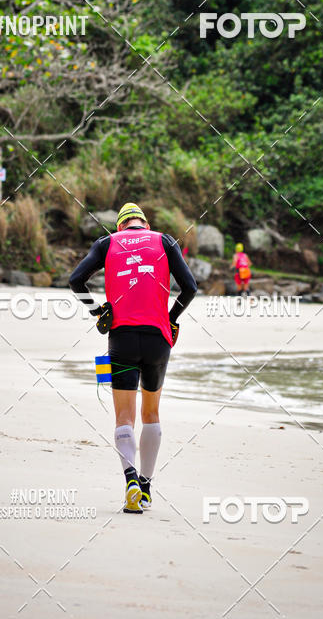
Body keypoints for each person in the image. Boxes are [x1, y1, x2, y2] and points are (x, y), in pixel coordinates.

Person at [69, 202, 197, 514]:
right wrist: (172, 319)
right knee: (151, 414)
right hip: (157, 338)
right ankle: (147, 486)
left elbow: (76, 280)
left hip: (122, 338)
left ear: (120, 227)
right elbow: (190, 288)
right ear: (144, 224)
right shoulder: (164, 241)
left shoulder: (107, 243)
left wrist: (98, 311)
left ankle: (129, 480)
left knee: (124, 418)